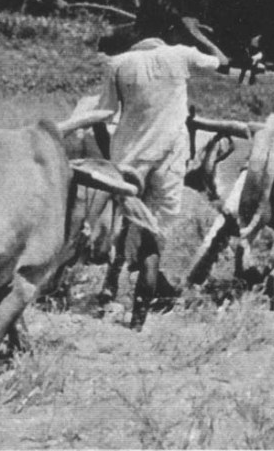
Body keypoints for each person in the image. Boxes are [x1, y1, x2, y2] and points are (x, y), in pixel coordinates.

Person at [77, 17, 229, 319]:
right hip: (169, 160)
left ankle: (108, 287)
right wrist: (196, 34)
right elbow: (223, 63)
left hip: (129, 158)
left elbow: (104, 113)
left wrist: (102, 149)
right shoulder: (179, 54)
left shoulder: (118, 64)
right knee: (152, 239)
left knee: (122, 226)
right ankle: (138, 318)